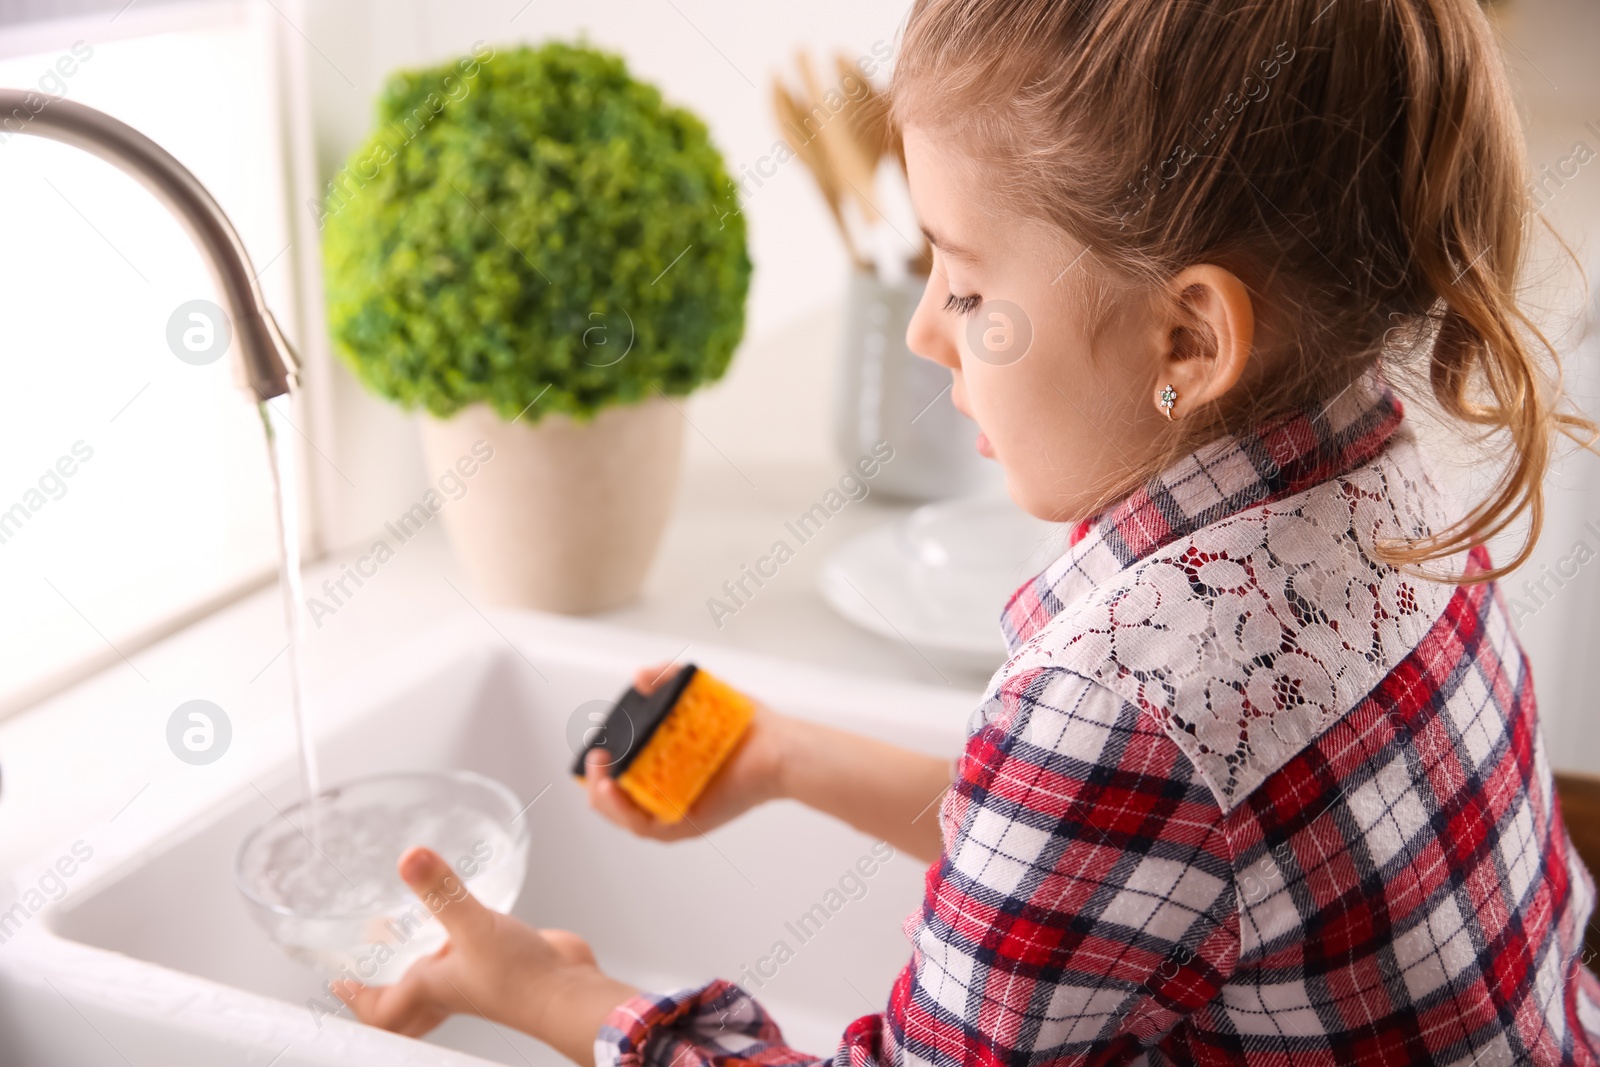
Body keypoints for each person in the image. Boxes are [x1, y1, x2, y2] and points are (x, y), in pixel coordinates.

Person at [337, 0, 1600, 1062]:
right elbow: (1142, 875)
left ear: (1189, 339)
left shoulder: (1120, 700)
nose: (926, 330)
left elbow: (1122, 802)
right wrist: (784, 757)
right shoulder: (1367, 464)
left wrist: (541, 989)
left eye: (971, 283)